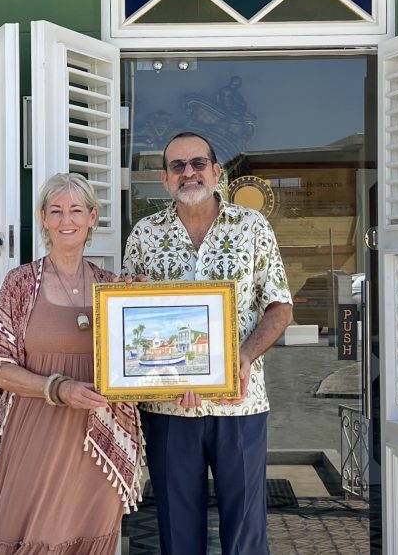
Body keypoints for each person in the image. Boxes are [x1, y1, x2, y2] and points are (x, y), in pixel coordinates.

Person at [122, 132, 293, 555]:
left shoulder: (252, 227)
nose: (189, 173)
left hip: (240, 401)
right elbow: (126, 312)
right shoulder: (144, 234)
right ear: (165, 178)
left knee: (246, 532)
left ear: (216, 172)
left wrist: (245, 357)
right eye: (177, 166)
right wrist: (133, 297)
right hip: (167, 406)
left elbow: (279, 306)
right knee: (178, 531)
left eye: (198, 163)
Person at [0, 172, 142, 555]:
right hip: (33, 437)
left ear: (92, 217)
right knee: (26, 535)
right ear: (43, 218)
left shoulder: (114, 287)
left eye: (76, 210)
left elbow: (140, 360)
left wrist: (144, 308)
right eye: (56, 211)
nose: (66, 220)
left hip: (98, 443)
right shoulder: (21, 284)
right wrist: (57, 388)